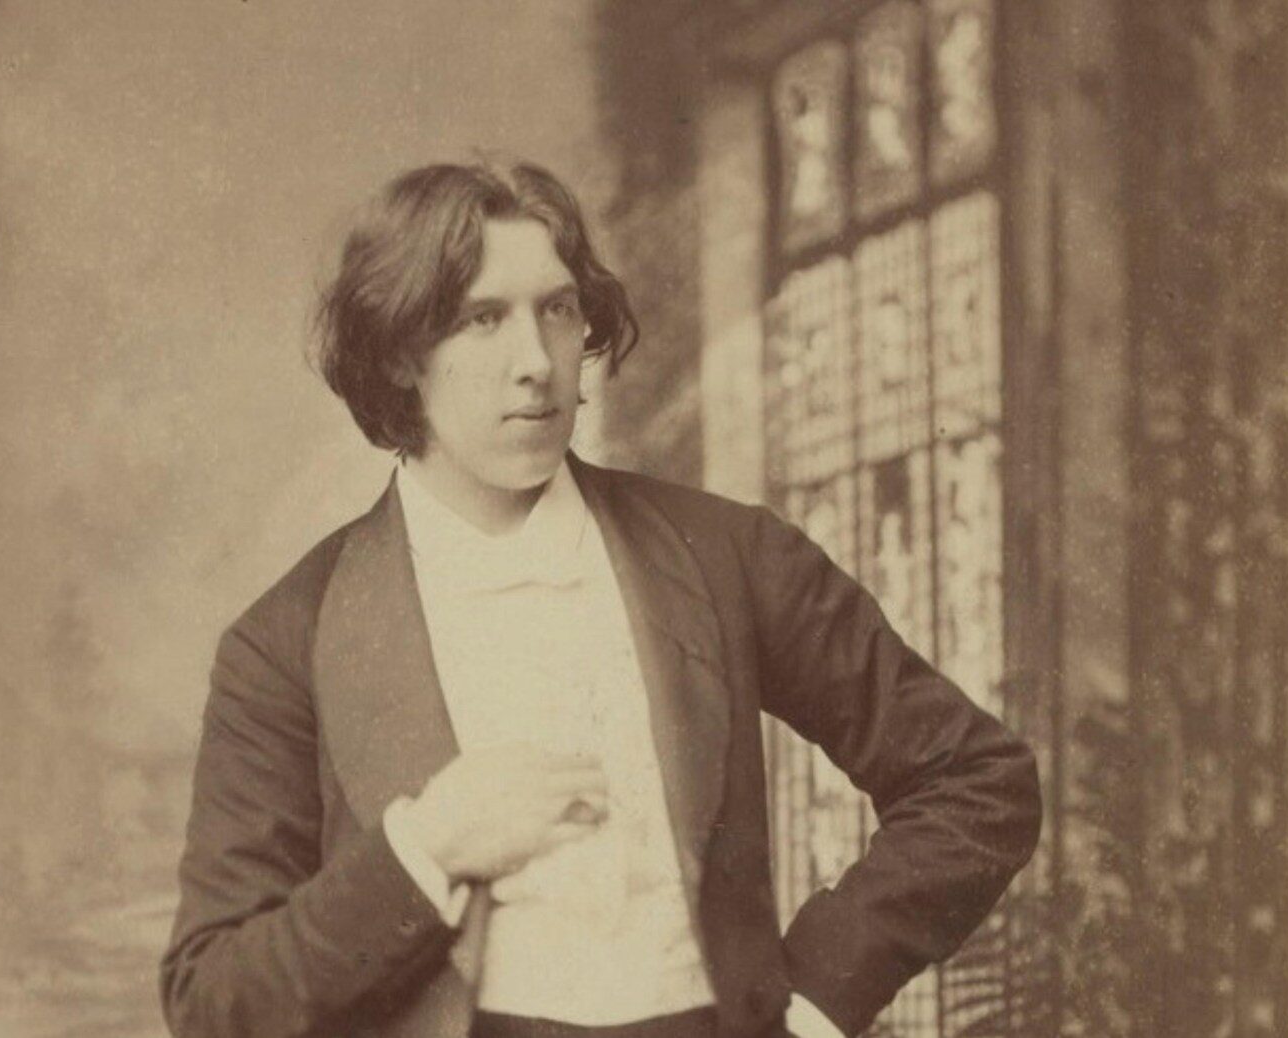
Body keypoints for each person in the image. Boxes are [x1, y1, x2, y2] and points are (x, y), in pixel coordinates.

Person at [158, 158, 1041, 1038]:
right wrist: (426, 848)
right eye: (482, 319)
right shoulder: (287, 641)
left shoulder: (726, 556)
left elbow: (978, 781)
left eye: (557, 309)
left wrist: (810, 1006)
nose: (536, 364)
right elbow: (213, 1002)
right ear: (398, 354)